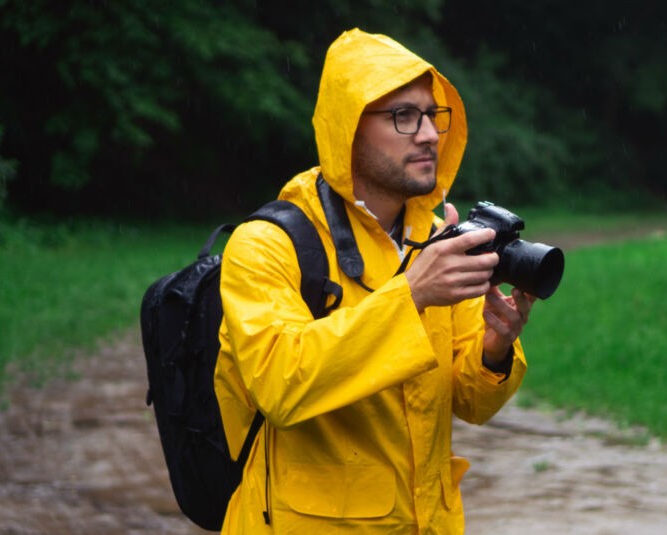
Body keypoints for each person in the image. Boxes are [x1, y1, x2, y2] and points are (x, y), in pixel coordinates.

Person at [214, 28, 535, 533]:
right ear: (349, 128)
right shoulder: (265, 245)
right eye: (403, 116)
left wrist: (494, 352)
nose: (428, 134)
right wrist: (412, 294)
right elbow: (281, 388)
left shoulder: (436, 240)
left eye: (432, 115)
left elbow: (471, 404)